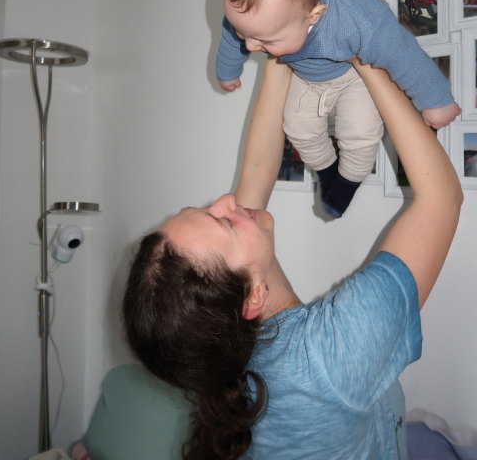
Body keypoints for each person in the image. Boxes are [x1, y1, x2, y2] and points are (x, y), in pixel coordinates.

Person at [123, 57, 462, 460]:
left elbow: (257, 166)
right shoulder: (331, 356)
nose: (228, 201)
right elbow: (441, 198)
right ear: (251, 297)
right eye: (224, 223)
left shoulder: (225, 350)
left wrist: (278, 55)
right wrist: (371, 56)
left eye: (208, 209)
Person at [215, 0, 460, 217]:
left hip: (351, 77)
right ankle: (328, 171)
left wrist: (436, 100)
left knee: (360, 133)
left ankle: (349, 181)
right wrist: (228, 71)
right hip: (306, 78)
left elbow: (402, 53)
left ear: (313, 15)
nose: (252, 46)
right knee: (297, 128)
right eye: (246, 34)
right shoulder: (252, 19)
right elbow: (231, 38)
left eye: (266, 39)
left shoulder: (356, 17)